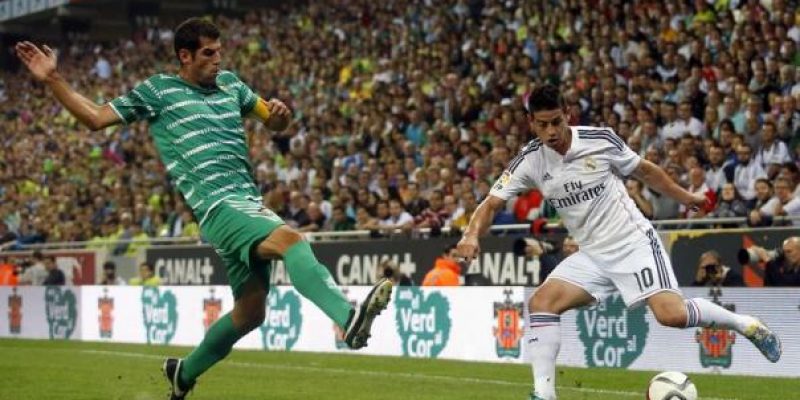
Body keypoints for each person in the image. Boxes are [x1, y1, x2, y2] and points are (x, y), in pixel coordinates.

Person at [16, 18, 392, 400]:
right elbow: (96, 118)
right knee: (291, 241)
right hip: (217, 207)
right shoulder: (160, 91)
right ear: (185, 55)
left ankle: (184, 373)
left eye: (219, 52)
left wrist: (280, 115)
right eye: (208, 54)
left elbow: (275, 121)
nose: (217, 60)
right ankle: (348, 318)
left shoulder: (232, 85)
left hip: (246, 203)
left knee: (251, 313)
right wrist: (53, 79)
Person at [454, 85, 781, 400]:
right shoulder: (529, 161)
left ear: (568, 114)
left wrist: (687, 197)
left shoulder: (600, 140)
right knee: (542, 304)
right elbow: (491, 203)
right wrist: (470, 235)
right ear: (531, 123)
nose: (551, 131)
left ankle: (747, 325)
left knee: (672, 316)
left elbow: (646, 172)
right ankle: (544, 394)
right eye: (543, 124)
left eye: (556, 121)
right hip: (592, 254)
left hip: (632, 242)